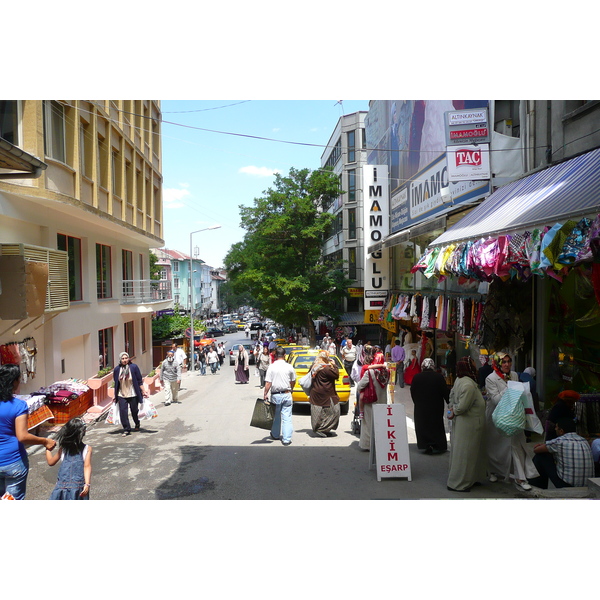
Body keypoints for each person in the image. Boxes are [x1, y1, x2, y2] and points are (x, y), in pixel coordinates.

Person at [0, 364, 56, 500]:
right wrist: (45, 441)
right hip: (13, 461)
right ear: (13, 382)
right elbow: (23, 436)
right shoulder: (18, 405)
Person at [485, 352, 538, 491]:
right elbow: (496, 400)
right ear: (497, 363)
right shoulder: (491, 378)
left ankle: (521, 477)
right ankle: (492, 470)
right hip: (497, 416)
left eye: (509, 361)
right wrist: (510, 387)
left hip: (514, 415)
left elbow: (518, 392)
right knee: (495, 446)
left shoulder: (514, 375)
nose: (507, 364)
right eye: (503, 362)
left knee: (517, 445)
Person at [446, 357, 487, 491]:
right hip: (469, 424)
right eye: (473, 363)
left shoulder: (461, 380)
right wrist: (454, 409)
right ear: (468, 366)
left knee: (472, 453)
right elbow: (463, 406)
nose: (476, 365)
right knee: (466, 454)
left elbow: (451, 395)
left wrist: (452, 407)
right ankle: (459, 484)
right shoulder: (468, 385)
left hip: (468, 423)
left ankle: (472, 478)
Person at [529, 418, 594, 489]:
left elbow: (536, 450)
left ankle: (535, 487)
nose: (555, 429)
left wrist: (542, 446)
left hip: (567, 485)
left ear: (561, 431)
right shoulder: (584, 440)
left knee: (541, 456)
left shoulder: (560, 441)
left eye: (556, 427)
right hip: (587, 484)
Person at [46, 417, 92, 500]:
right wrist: (87, 484)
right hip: (78, 488)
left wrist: (47, 449)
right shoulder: (87, 448)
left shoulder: (63, 449)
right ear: (82, 433)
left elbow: (50, 462)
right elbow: (87, 466)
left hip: (62, 488)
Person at [410, 357, 449, 454]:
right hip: (436, 406)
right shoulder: (438, 377)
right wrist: (450, 402)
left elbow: (412, 392)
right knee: (436, 425)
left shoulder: (417, 377)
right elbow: (445, 392)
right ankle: (437, 445)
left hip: (421, 407)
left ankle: (425, 444)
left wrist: (417, 402)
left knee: (423, 425)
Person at [356, 352, 389, 451]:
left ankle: (368, 445)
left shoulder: (370, 372)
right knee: (380, 424)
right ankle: (380, 444)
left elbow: (360, 386)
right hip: (382, 402)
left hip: (370, 402)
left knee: (368, 424)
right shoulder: (387, 373)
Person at [263, 347, 296, 446]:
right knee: (287, 417)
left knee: (276, 416)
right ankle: (286, 439)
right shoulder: (289, 367)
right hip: (287, 394)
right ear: (285, 355)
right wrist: (291, 389)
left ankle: (275, 434)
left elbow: (268, 383)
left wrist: (265, 393)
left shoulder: (272, 367)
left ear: (275, 355)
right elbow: (293, 381)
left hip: (275, 395)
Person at [113, 352, 146, 436]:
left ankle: (137, 423)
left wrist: (143, 391)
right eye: (123, 358)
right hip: (122, 394)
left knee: (134, 411)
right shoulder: (117, 369)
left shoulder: (134, 367)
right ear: (120, 360)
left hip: (133, 393)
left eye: (126, 358)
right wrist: (115, 395)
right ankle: (126, 429)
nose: (124, 360)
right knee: (123, 412)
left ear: (129, 359)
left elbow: (139, 381)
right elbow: (116, 383)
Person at [309, 350, 340, 437]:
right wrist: (334, 365)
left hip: (316, 393)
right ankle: (322, 429)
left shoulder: (314, 366)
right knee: (335, 412)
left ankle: (322, 429)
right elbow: (336, 375)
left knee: (319, 413)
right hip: (327, 394)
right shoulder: (326, 368)